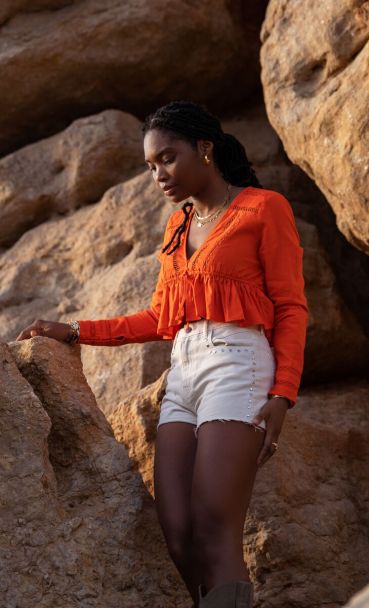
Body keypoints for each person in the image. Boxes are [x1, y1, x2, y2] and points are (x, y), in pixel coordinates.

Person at [16, 100, 308, 608]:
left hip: (238, 364)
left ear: (205, 148)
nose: (159, 175)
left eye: (168, 159)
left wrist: (282, 393)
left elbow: (291, 307)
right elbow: (160, 318)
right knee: (177, 532)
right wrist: (76, 330)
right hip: (184, 372)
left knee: (215, 526)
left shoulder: (264, 208)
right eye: (151, 166)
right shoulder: (178, 226)